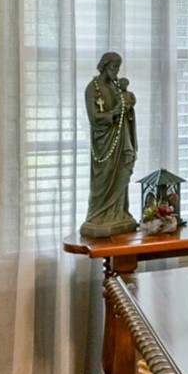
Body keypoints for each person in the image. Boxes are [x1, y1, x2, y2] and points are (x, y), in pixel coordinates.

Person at [80, 52, 139, 239]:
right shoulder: (92, 88)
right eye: (113, 67)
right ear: (104, 66)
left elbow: (126, 113)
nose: (116, 71)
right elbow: (94, 118)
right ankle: (99, 214)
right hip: (104, 143)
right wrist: (114, 113)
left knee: (122, 173)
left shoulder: (116, 87)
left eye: (118, 68)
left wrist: (128, 109)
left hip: (121, 139)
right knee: (104, 177)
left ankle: (118, 212)